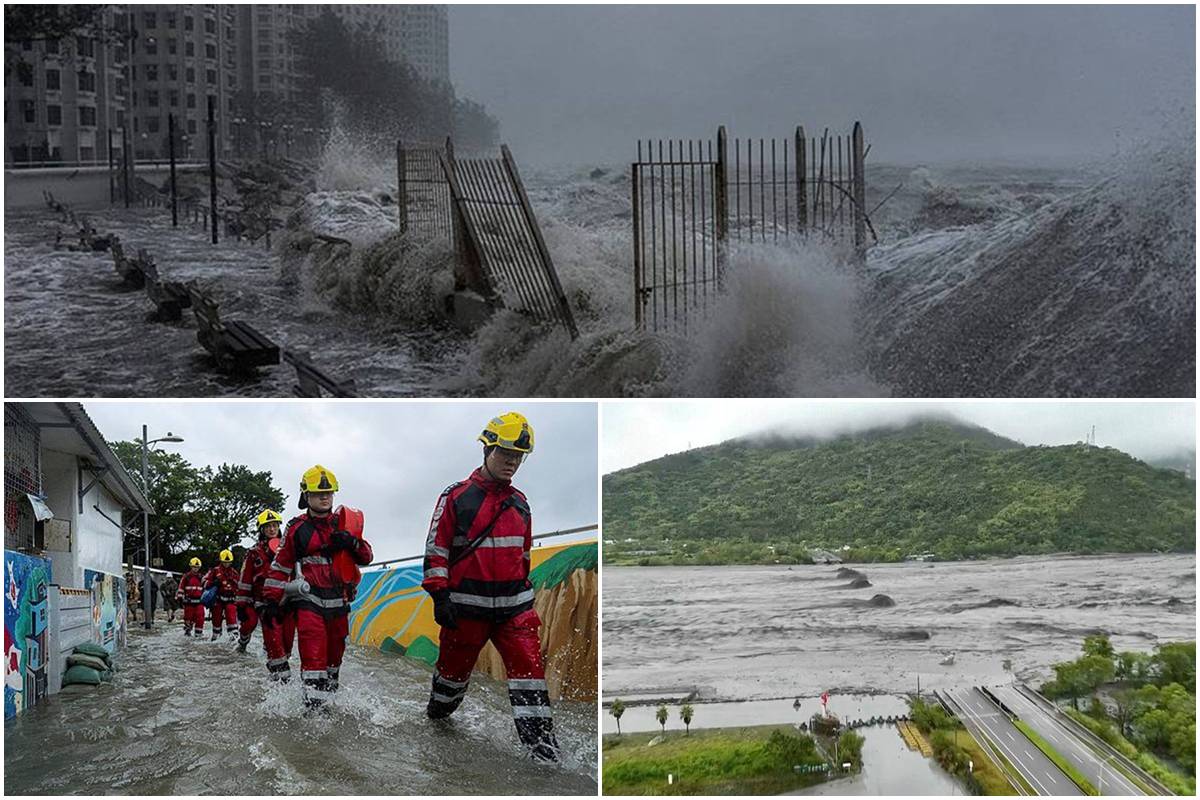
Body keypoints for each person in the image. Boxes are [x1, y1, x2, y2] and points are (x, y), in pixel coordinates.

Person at [421, 412, 560, 762]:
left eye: (518, 457)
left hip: (515, 610)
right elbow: (436, 548)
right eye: (505, 454)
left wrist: (524, 602)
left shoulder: (521, 503)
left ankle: (544, 756)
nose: (511, 463)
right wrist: (439, 595)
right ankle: (437, 722)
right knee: (450, 683)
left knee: (530, 679)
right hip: (465, 611)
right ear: (487, 449)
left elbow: (523, 555)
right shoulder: (456, 497)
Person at [262, 465, 373, 708]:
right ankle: (314, 722)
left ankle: (328, 718)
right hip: (309, 603)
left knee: (333, 666)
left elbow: (367, 557)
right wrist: (271, 601)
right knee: (313, 663)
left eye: (329, 493)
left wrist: (353, 542)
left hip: (339, 604)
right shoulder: (296, 527)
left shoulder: (343, 524)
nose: (325, 497)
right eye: (318, 493)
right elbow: (280, 565)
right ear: (306, 496)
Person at [238, 510, 296, 682]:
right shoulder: (254, 553)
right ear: (261, 529)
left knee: (287, 645)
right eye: (268, 526)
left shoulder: (289, 549)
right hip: (264, 605)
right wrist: (242, 604)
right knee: (275, 645)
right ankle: (279, 682)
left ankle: (277, 670)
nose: (272, 529)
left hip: (287, 602)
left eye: (274, 525)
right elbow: (245, 579)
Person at [203, 550, 240, 641]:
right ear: (221, 561)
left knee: (231, 617)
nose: (227, 564)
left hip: (230, 600)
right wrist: (213, 583)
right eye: (225, 562)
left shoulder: (234, 573)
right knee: (216, 619)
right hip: (217, 600)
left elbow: (239, 586)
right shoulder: (215, 571)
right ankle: (216, 638)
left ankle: (233, 639)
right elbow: (204, 582)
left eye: (228, 562)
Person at [176, 558, 206, 637]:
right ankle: (187, 631)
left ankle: (198, 634)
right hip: (189, 602)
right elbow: (181, 587)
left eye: (197, 567)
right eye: (194, 567)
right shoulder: (186, 577)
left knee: (200, 617)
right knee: (188, 618)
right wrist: (179, 597)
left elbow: (206, 587)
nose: (195, 569)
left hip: (199, 601)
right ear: (191, 567)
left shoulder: (201, 577)